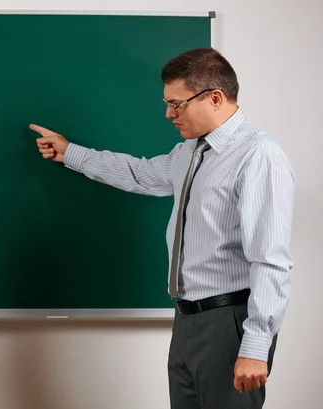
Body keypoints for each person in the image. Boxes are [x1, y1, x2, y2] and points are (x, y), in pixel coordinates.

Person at [29, 47, 294, 409]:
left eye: (177, 104)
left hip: (229, 320)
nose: (169, 113)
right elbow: (142, 174)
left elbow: (270, 259)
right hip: (186, 318)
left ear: (215, 97)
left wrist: (256, 344)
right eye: (167, 103)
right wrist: (71, 152)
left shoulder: (258, 155)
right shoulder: (189, 151)